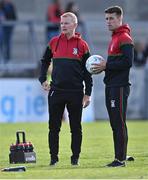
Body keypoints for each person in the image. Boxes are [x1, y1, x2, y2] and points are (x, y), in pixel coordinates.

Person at [39, 12, 92, 166]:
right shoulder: (53, 42)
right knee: (53, 127)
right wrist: (43, 79)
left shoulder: (82, 45)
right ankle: (53, 159)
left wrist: (88, 93)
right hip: (56, 91)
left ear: (75, 25)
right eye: (61, 23)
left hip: (76, 92)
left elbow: (88, 71)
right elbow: (44, 61)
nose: (63, 25)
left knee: (76, 128)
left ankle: (75, 158)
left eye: (67, 23)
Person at [92, 6, 134, 167]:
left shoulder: (124, 38)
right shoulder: (115, 37)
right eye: (106, 19)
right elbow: (116, 63)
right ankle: (121, 154)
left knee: (118, 122)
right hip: (111, 85)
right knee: (115, 123)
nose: (108, 22)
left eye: (111, 18)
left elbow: (128, 62)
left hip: (119, 86)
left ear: (119, 18)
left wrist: (106, 65)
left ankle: (120, 159)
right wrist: (105, 67)